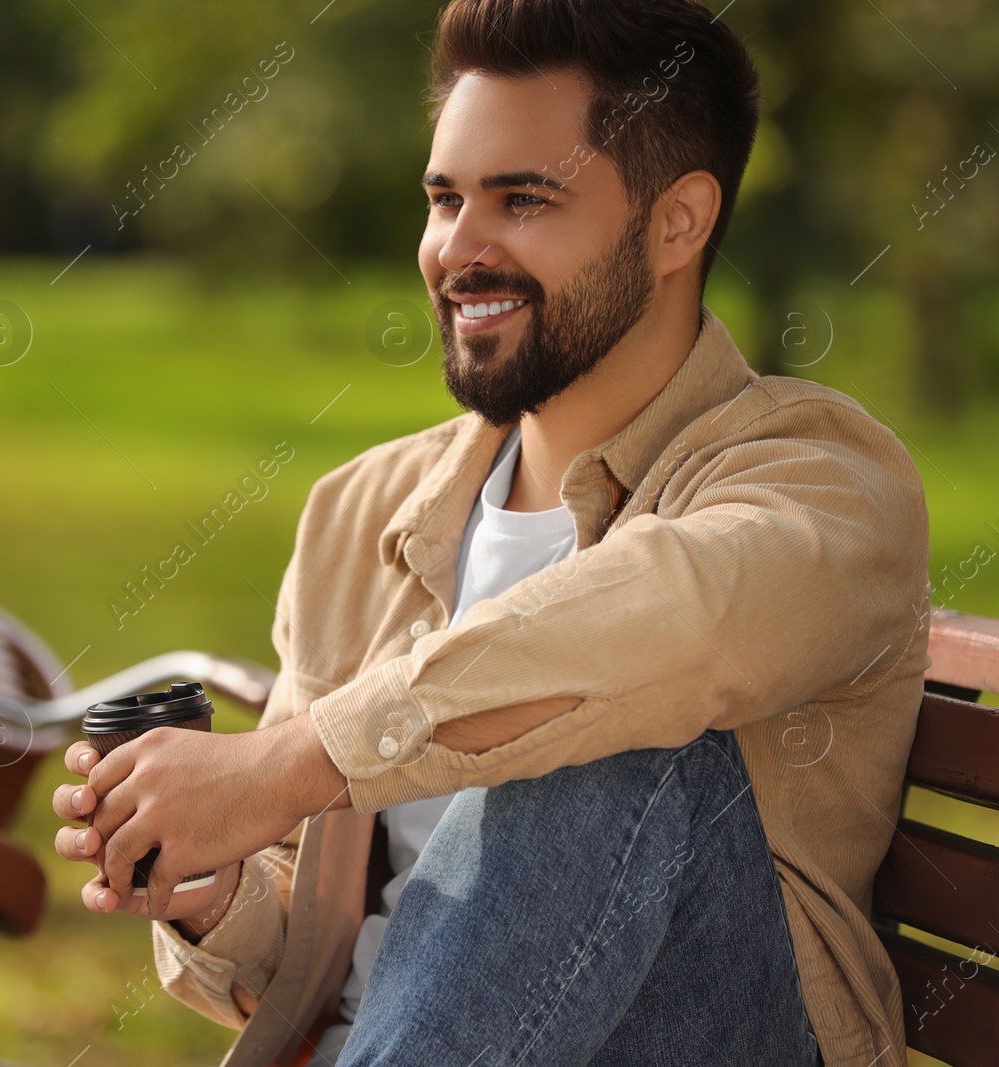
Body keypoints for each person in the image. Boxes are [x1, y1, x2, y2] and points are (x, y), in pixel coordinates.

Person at [53, 1, 930, 1063]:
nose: (457, 250)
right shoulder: (362, 511)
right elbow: (310, 941)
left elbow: (673, 626)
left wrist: (288, 762)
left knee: (606, 734)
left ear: (676, 222)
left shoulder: (826, 480)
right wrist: (212, 885)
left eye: (522, 200)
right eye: (444, 199)